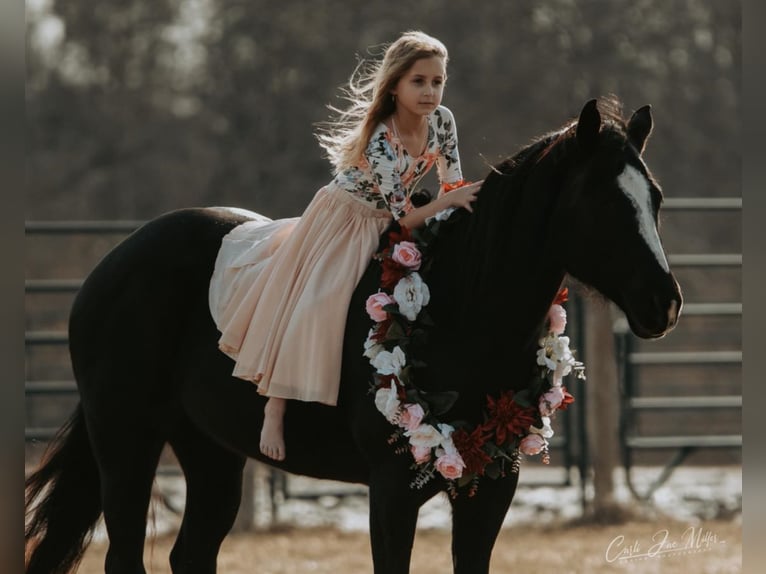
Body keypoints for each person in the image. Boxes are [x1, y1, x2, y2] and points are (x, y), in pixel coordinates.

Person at [209, 30, 481, 461]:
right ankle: (274, 406)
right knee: (317, 301)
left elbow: (452, 183)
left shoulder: (443, 121)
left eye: (437, 81)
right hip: (346, 218)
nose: (430, 91)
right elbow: (401, 214)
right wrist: (447, 200)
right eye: (419, 81)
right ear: (395, 85)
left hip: (395, 220)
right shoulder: (381, 136)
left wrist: (464, 201)